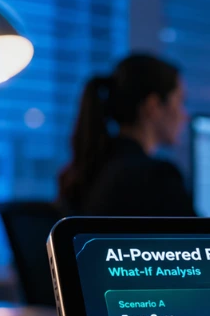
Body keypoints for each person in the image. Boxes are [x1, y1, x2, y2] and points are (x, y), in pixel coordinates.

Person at [58, 53, 193, 216]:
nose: (185, 115)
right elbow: (203, 233)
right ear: (153, 106)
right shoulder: (156, 178)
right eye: (180, 101)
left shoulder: (91, 168)